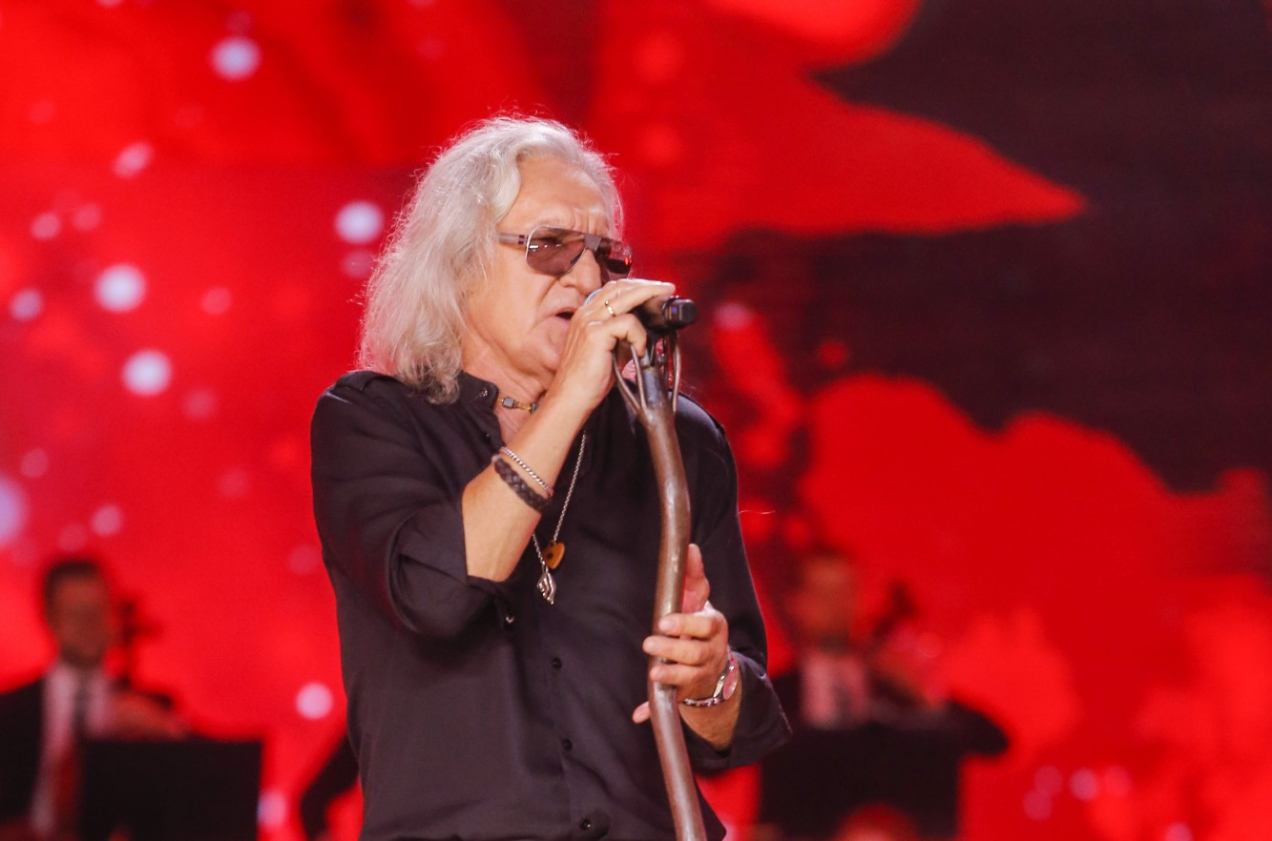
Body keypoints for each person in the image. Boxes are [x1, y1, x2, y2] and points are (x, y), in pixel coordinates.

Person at [309, 115, 789, 840]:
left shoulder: (674, 440)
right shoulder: (373, 421)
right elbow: (435, 595)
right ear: (462, 261)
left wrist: (708, 681)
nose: (588, 278)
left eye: (603, 255)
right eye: (551, 246)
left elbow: (739, 730)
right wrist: (569, 398)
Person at [756, 547, 1008, 841]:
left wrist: (921, 695)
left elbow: (993, 743)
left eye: (846, 591)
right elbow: (718, 766)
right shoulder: (774, 695)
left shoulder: (893, 686)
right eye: (823, 593)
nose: (836, 606)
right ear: (796, 603)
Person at [0, 557, 183, 841]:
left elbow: (207, 779)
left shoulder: (148, 707)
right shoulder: (9, 711)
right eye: (76, 614)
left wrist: (166, 729)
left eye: (98, 612)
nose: (89, 625)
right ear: (50, 617)